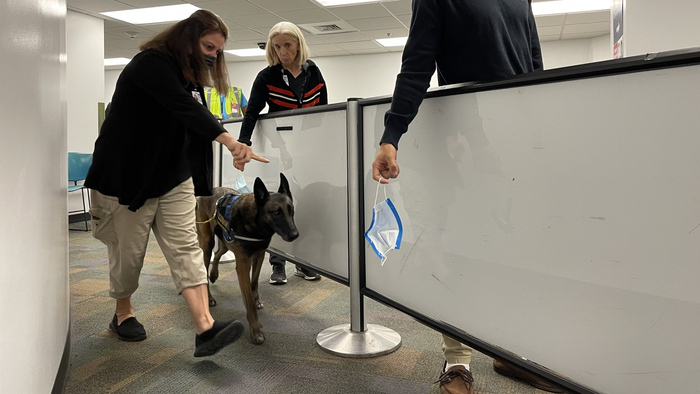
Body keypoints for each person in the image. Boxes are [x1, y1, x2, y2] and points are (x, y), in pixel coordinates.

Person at [371, 1, 563, 393]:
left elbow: (534, 60)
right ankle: (457, 362)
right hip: (466, 138)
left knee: (513, 246)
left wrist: (540, 131)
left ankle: (511, 351)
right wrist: (391, 136)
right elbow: (417, 65)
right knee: (462, 247)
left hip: (513, 138)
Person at [84, 10, 268, 358]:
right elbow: (183, 108)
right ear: (187, 39)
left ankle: (205, 327)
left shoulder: (189, 78)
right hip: (125, 178)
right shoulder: (149, 64)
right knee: (128, 258)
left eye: (218, 49)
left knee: (186, 246)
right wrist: (231, 141)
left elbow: (193, 119)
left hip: (171, 175)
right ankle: (122, 311)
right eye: (207, 45)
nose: (213, 54)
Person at [237, 21, 328, 285]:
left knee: (301, 206)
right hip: (279, 150)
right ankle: (278, 264)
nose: (282, 51)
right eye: (277, 46)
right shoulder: (267, 77)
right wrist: (243, 143)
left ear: (299, 44)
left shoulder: (314, 73)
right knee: (276, 210)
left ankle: (302, 262)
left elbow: (323, 113)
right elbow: (252, 111)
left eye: (287, 45)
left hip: (307, 151)